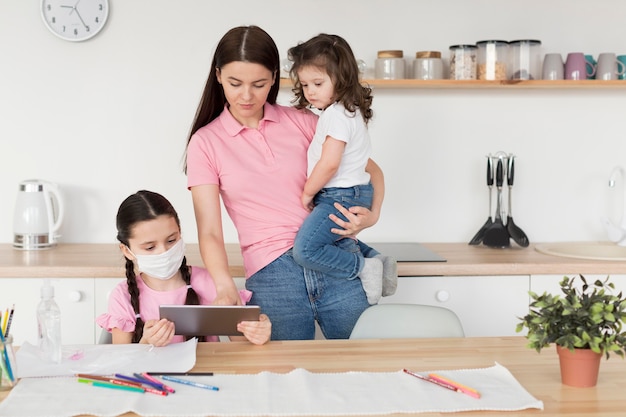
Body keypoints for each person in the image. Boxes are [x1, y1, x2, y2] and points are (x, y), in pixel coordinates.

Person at [185, 25, 385, 340]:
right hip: (272, 276)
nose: (246, 95)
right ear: (219, 75)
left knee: (363, 370)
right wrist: (224, 285)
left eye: (259, 84)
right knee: (282, 381)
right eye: (235, 83)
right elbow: (209, 230)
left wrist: (372, 215)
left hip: (334, 258)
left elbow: (371, 171)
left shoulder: (306, 122)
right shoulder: (205, 143)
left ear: (275, 78)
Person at [288, 33, 397, 305]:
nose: (310, 91)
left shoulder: (336, 116)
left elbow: (330, 163)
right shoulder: (348, 111)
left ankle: (364, 267)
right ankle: (376, 259)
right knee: (335, 239)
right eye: (305, 84)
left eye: (318, 83)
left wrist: (306, 193)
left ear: (342, 79)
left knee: (305, 250)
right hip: (355, 193)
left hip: (339, 195)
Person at [96, 190, 271, 346]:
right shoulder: (122, 296)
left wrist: (258, 334)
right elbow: (122, 362)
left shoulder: (210, 282)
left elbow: (243, 345)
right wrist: (146, 343)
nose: (164, 252)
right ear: (126, 250)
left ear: (180, 232)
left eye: (171, 240)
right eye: (150, 247)